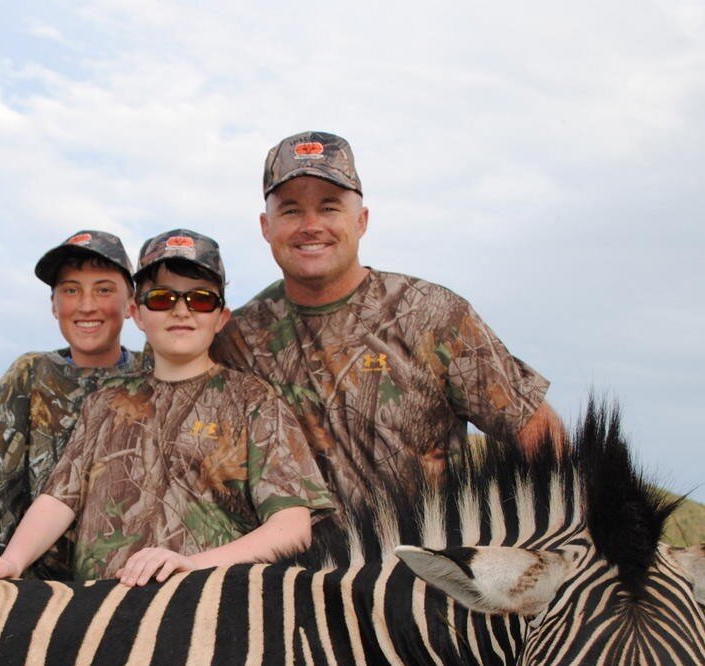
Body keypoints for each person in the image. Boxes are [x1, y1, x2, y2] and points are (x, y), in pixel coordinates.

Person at [0, 229, 333, 587]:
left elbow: (292, 527)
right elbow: (60, 499)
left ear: (222, 317)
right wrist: (10, 562)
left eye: (201, 299)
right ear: (136, 313)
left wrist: (192, 566)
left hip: (209, 615)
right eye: (162, 297)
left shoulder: (254, 401)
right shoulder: (107, 402)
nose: (181, 309)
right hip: (102, 621)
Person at [213, 131, 566, 507]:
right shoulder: (236, 338)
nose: (311, 225)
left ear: (361, 221)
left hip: (429, 561)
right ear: (266, 227)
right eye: (291, 210)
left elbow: (536, 432)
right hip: (294, 565)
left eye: (330, 207)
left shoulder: (433, 314)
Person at [0, 229, 148, 578]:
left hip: (134, 582)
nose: (87, 305)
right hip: (35, 588)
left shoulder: (154, 374)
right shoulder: (30, 373)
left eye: (104, 289)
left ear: (130, 304)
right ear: (54, 305)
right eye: (71, 290)